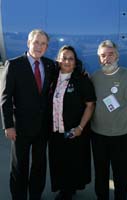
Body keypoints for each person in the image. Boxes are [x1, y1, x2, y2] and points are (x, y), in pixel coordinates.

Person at [0, 29, 55, 200]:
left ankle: (35, 196)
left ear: (47, 47)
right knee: (20, 167)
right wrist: (8, 125)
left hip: (42, 128)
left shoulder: (50, 65)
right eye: (36, 42)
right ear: (28, 43)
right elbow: (5, 98)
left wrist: (82, 73)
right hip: (20, 128)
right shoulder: (14, 64)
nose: (39, 46)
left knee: (39, 166)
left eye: (43, 43)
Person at [48, 45, 96, 200]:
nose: (67, 61)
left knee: (73, 161)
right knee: (58, 160)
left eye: (71, 58)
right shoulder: (52, 78)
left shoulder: (82, 80)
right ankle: (64, 187)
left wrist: (81, 127)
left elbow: (90, 105)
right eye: (64, 58)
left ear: (75, 62)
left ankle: (67, 191)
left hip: (75, 130)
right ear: (58, 60)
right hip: (55, 130)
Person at [91, 40, 127, 200]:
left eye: (111, 54)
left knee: (120, 174)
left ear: (117, 56)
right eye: (103, 55)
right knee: (101, 174)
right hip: (98, 135)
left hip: (121, 135)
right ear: (99, 58)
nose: (107, 58)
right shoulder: (94, 77)